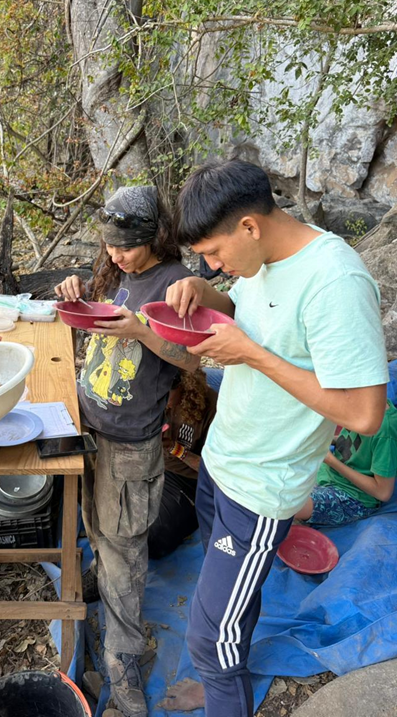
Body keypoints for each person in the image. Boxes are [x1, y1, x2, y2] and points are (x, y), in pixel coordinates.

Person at [160, 160, 387, 717]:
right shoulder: (264, 258)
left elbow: (364, 414)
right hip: (223, 461)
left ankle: (220, 682)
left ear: (250, 227)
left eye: (213, 254)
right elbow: (251, 311)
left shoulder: (335, 279)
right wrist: (205, 294)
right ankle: (221, 677)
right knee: (229, 614)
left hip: (262, 489)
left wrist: (252, 357)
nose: (212, 265)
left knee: (208, 641)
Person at [55, 185, 201, 717]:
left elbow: (192, 361)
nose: (115, 256)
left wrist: (141, 330)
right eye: (109, 245)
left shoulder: (177, 284)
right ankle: (105, 588)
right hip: (91, 424)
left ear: (155, 237)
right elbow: (95, 321)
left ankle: (124, 670)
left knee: (125, 556)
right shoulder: (119, 273)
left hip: (132, 443)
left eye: (126, 247)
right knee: (96, 527)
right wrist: (74, 293)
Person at [148, 368, 217, 560]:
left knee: (154, 540)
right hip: (147, 462)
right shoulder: (148, 391)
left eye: (165, 396)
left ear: (184, 387)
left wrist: (175, 449)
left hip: (185, 478)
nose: (160, 401)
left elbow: (215, 471)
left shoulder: (212, 408)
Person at [295, 400, 397, 526]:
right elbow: (358, 444)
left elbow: (383, 493)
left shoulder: (385, 431)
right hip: (327, 475)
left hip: (353, 497)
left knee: (289, 505)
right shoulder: (364, 405)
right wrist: (328, 440)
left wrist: (331, 461)